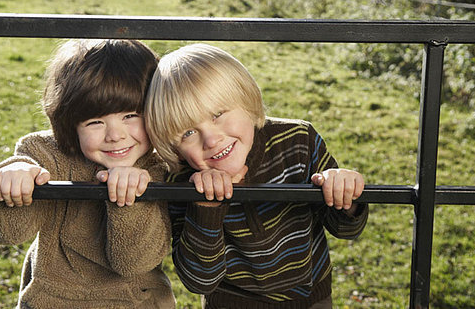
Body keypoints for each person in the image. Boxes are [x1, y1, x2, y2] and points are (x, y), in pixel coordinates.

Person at [144, 43, 368, 309]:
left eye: (218, 115)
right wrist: (205, 208)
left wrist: (345, 194)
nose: (212, 139)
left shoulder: (298, 141)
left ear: (247, 102)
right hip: (230, 303)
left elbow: (346, 228)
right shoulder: (180, 181)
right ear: (175, 149)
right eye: (188, 133)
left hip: (312, 298)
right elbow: (199, 281)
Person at [0, 39, 175, 309]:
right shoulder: (44, 154)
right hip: (53, 300)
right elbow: (10, 233)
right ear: (70, 123)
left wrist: (130, 200)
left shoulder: (159, 167)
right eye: (96, 122)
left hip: (136, 302)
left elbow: (133, 262)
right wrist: (14, 180)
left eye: (131, 115)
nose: (116, 136)